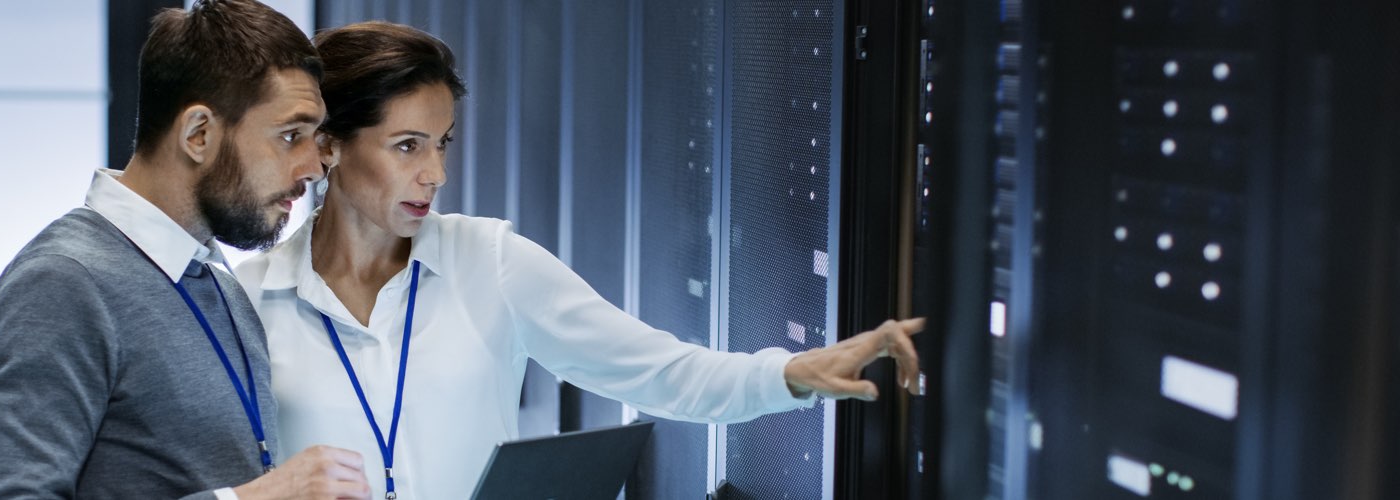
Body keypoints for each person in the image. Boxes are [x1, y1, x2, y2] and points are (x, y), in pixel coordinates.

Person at [234, 21, 924, 500]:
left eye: (444, 144)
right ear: (329, 147)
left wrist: (793, 373)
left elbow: (659, 371)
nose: (436, 173)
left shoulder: (490, 262)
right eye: (408, 145)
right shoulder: (248, 305)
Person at [0, 2, 370, 498]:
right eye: (290, 136)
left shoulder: (213, 275)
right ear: (198, 134)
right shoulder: (62, 282)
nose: (314, 167)